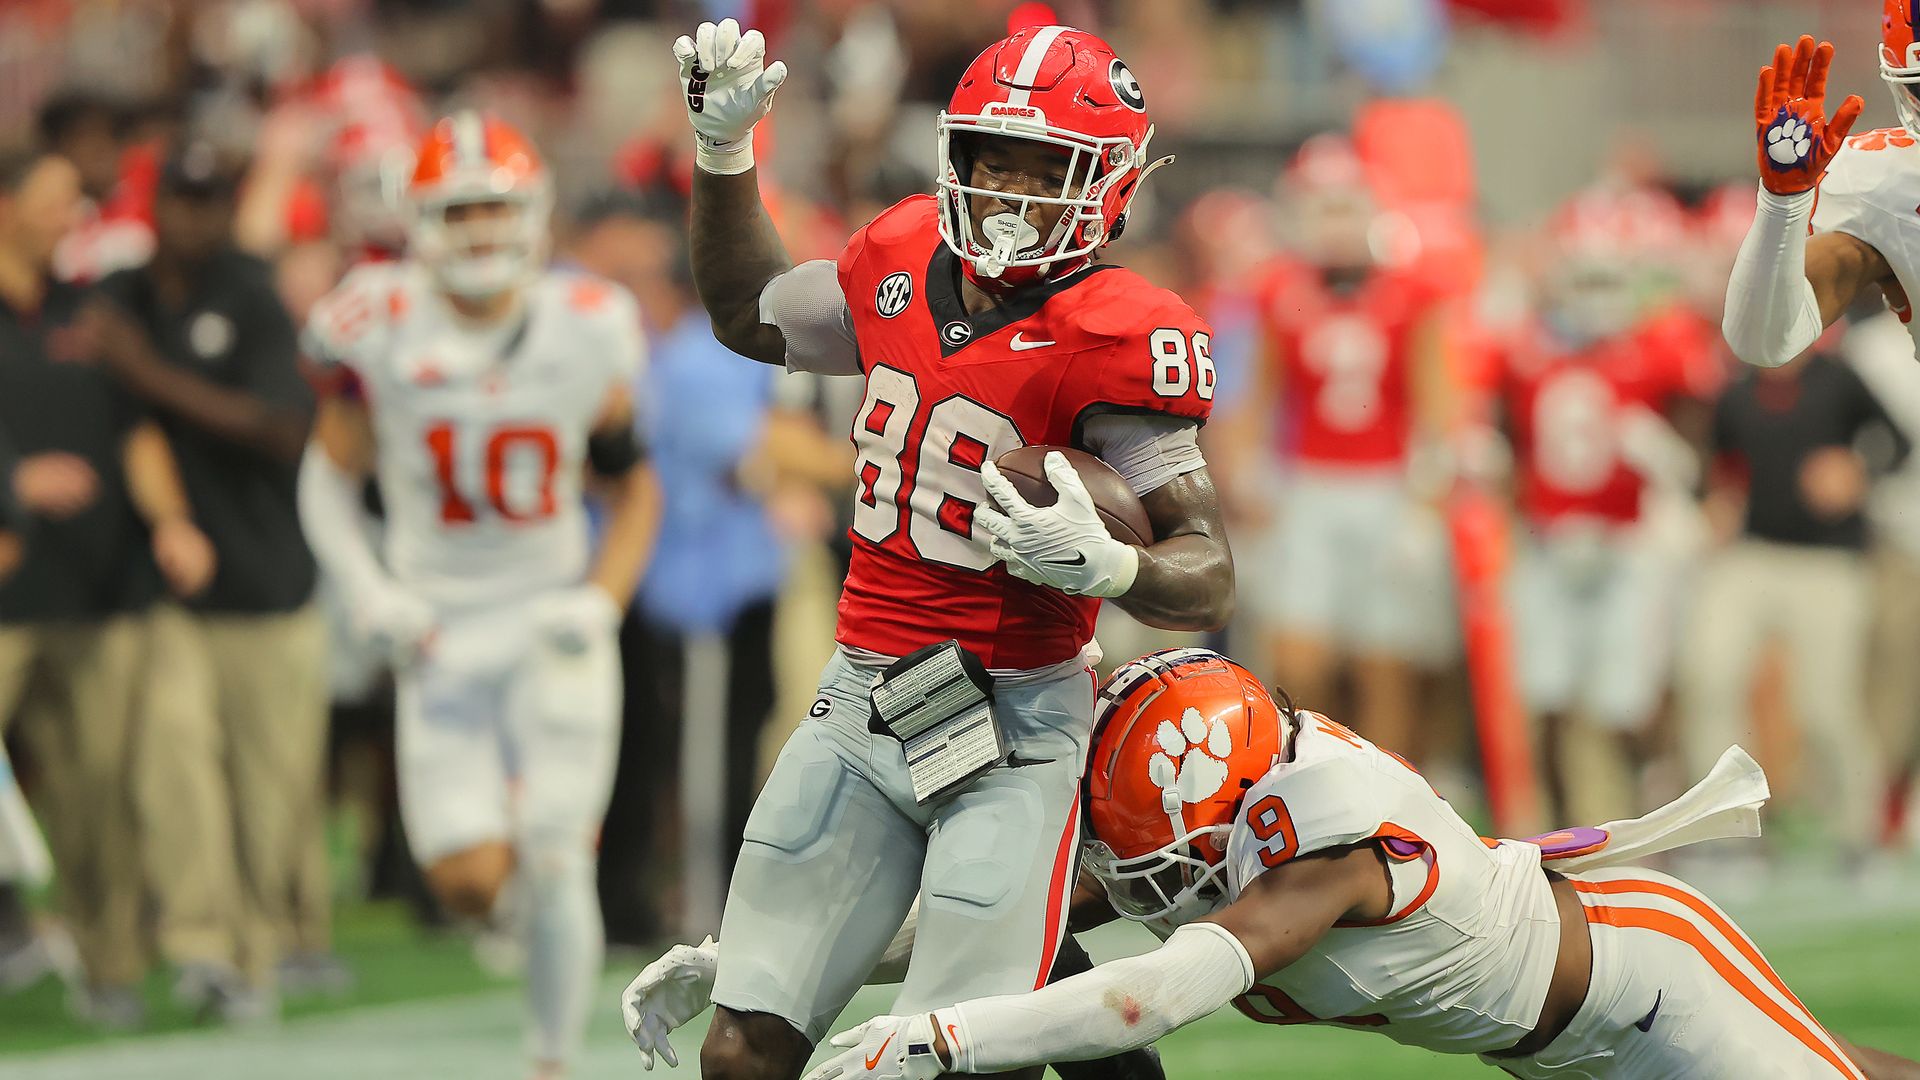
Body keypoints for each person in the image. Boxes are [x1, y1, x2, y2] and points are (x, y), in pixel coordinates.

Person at [640, 19, 1233, 1080]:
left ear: (1109, 182)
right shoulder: (902, 252)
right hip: (862, 699)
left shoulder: (1120, 332)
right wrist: (725, 157)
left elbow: (1206, 564)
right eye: (992, 160)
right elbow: (750, 313)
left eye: (1043, 166)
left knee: (939, 1054)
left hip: (1015, 723)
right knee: (741, 1054)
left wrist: (1111, 569)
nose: (1008, 190)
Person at [803, 648, 1920, 1080]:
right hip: (1555, 1043)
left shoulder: (1323, 849)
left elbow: (1146, 998)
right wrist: (779, 971)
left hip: (1653, 992)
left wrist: (944, 1040)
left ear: (1232, 811)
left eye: (1150, 854)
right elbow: (1008, 917)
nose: (1124, 877)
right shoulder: (1226, 807)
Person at [296, 112, 660, 1080]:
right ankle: (509, 842)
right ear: (420, 221)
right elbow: (326, 477)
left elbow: (633, 489)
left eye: (495, 209)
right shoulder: (373, 321)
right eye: (459, 212)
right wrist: (370, 591)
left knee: (554, 853)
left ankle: (551, 1060)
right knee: (464, 880)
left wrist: (602, 600)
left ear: (534, 213)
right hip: (437, 627)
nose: (480, 233)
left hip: (549, 619)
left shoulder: (587, 324)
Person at [86, 139, 329, 1019]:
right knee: (174, 764)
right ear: (155, 206)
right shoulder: (120, 296)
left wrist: (143, 370)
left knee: (270, 794)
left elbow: (279, 428)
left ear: (227, 210)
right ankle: (203, 947)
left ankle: (262, 950)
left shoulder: (253, 297)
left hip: (267, 584)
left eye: (209, 202)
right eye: (180, 200)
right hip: (167, 588)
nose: (194, 218)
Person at [0, 147, 216, 1028]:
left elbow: (136, 437)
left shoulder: (88, 313)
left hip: (92, 592)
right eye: (54, 202)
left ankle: (109, 966)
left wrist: (171, 521)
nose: (69, 219)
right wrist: (13, 485)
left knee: (99, 797)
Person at [1494, 195, 1720, 824]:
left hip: (1628, 543)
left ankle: (1655, 809)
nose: (1595, 295)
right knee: (1546, 695)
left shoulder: (1661, 344)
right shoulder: (1524, 349)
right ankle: (1564, 835)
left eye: (1606, 279)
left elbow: (1703, 441)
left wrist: (1674, 463)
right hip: (1548, 540)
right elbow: (1500, 431)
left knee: (1627, 701)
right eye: (1586, 279)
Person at [1229, 133, 1454, 759]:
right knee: (1300, 659)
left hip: (1386, 487)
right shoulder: (1279, 289)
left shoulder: (1414, 292)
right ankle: (1306, 785)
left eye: (1346, 205)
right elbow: (1259, 399)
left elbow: (1437, 403)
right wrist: (1250, 477)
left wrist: (1424, 499)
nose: (1336, 223)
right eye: (1323, 207)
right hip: (1310, 486)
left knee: (1387, 661)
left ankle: (1394, 803)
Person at [1677, 331, 1908, 859]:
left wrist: (1857, 470)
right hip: (1751, 555)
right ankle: (1720, 831)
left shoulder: (1840, 379)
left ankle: (1859, 830)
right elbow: (1713, 465)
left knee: (1825, 707)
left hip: (1826, 562)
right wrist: (1715, 500)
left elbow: (1897, 443)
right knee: (1710, 675)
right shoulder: (1737, 390)